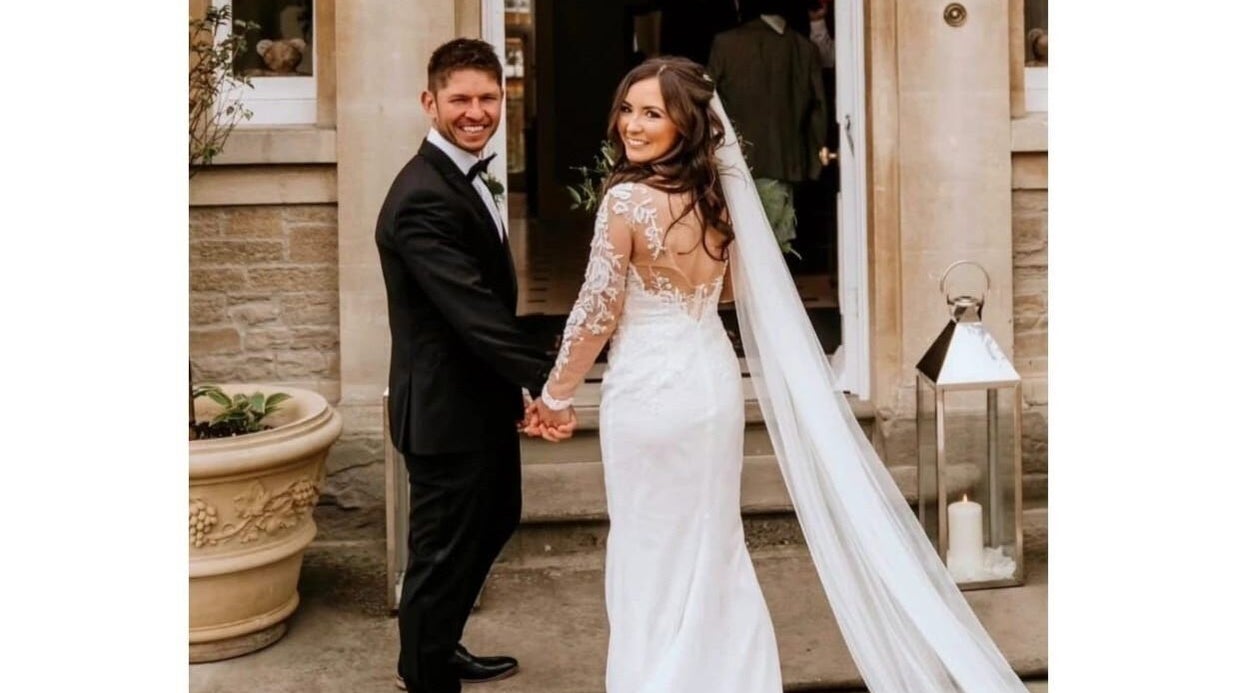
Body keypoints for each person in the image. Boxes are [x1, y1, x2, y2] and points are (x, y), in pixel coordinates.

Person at [524, 56, 1028, 692]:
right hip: (711, 383)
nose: (632, 124)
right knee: (713, 541)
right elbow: (732, 292)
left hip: (650, 392)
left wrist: (555, 395)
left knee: (649, 543)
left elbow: (598, 311)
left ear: (685, 124)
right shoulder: (721, 198)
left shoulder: (625, 200)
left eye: (652, 113)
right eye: (628, 109)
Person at [375, 38, 574, 693]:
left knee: (495, 519)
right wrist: (550, 380)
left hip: (479, 397)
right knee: (438, 553)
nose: (475, 111)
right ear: (429, 102)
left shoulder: (460, 175)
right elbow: (474, 312)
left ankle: (437, 643)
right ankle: (424, 673)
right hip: (444, 411)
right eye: (459, 98)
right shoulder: (421, 196)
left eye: (488, 97)